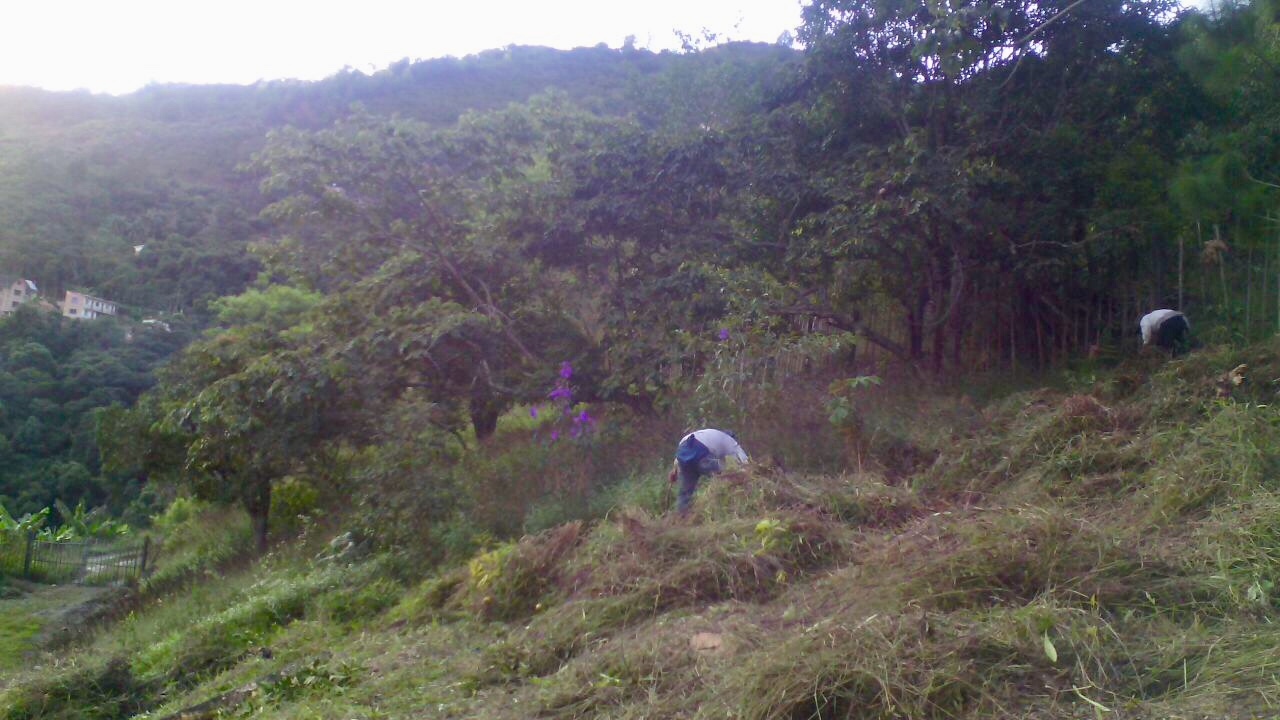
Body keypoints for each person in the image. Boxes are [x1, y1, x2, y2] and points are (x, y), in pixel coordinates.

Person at [670, 428, 749, 515]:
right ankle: (723, 508)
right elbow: (743, 460)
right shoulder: (729, 440)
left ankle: (682, 517)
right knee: (725, 477)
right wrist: (747, 472)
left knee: (685, 492)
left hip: (684, 455)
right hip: (700, 453)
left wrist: (675, 471)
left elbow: (681, 455)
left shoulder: (711, 435)